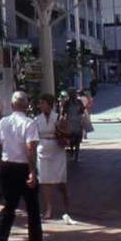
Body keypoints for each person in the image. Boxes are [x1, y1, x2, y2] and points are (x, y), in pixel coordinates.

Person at [0, 91, 47, 241]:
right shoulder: (29, 123)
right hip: (23, 166)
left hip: (7, 166)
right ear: (26, 105)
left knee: (9, 206)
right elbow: (31, 149)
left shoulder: (3, 122)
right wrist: (32, 171)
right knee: (32, 207)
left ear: (12, 105)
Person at [35, 94, 73, 224]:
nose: (41, 105)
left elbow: (68, 133)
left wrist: (60, 127)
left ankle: (65, 198)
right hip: (42, 150)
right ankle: (49, 207)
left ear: (49, 105)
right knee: (45, 180)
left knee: (59, 180)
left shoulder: (58, 117)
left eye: (43, 103)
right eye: (40, 103)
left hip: (57, 150)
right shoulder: (36, 119)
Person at [61, 90, 84, 163]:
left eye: (74, 94)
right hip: (71, 123)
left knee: (77, 140)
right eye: (72, 94)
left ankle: (75, 155)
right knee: (71, 139)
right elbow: (63, 112)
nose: (73, 95)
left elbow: (82, 110)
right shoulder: (67, 103)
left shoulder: (78, 102)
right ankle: (72, 152)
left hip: (76, 122)